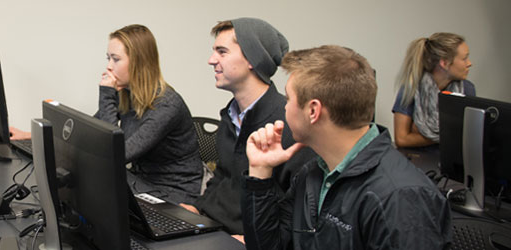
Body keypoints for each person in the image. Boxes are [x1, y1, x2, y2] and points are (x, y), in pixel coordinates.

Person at [242, 45, 451, 249]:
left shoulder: (401, 197)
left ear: (313, 111)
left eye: (289, 98)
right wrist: (260, 171)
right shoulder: (314, 174)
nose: (285, 107)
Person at [180, 18, 315, 238]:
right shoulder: (231, 115)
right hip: (214, 228)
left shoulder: (288, 124)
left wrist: (253, 240)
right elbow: (223, 177)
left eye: (222, 52)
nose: (211, 60)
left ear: (252, 59)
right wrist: (197, 208)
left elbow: (299, 209)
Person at [92, 24, 203, 204]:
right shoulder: (127, 95)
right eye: (108, 58)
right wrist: (38, 136)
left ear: (138, 62)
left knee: (99, 178)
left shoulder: (166, 104)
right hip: (144, 183)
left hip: (174, 194)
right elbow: (89, 130)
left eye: (116, 59)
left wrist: (106, 95)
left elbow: (116, 154)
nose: (109, 67)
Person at [392, 32, 475, 149]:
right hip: (418, 160)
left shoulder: (467, 89)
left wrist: (420, 133)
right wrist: (449, 134)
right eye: (464, 58)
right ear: (444, 63)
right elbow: (402, 139)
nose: (469, 63)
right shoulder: (411, 88)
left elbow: (467, 137)